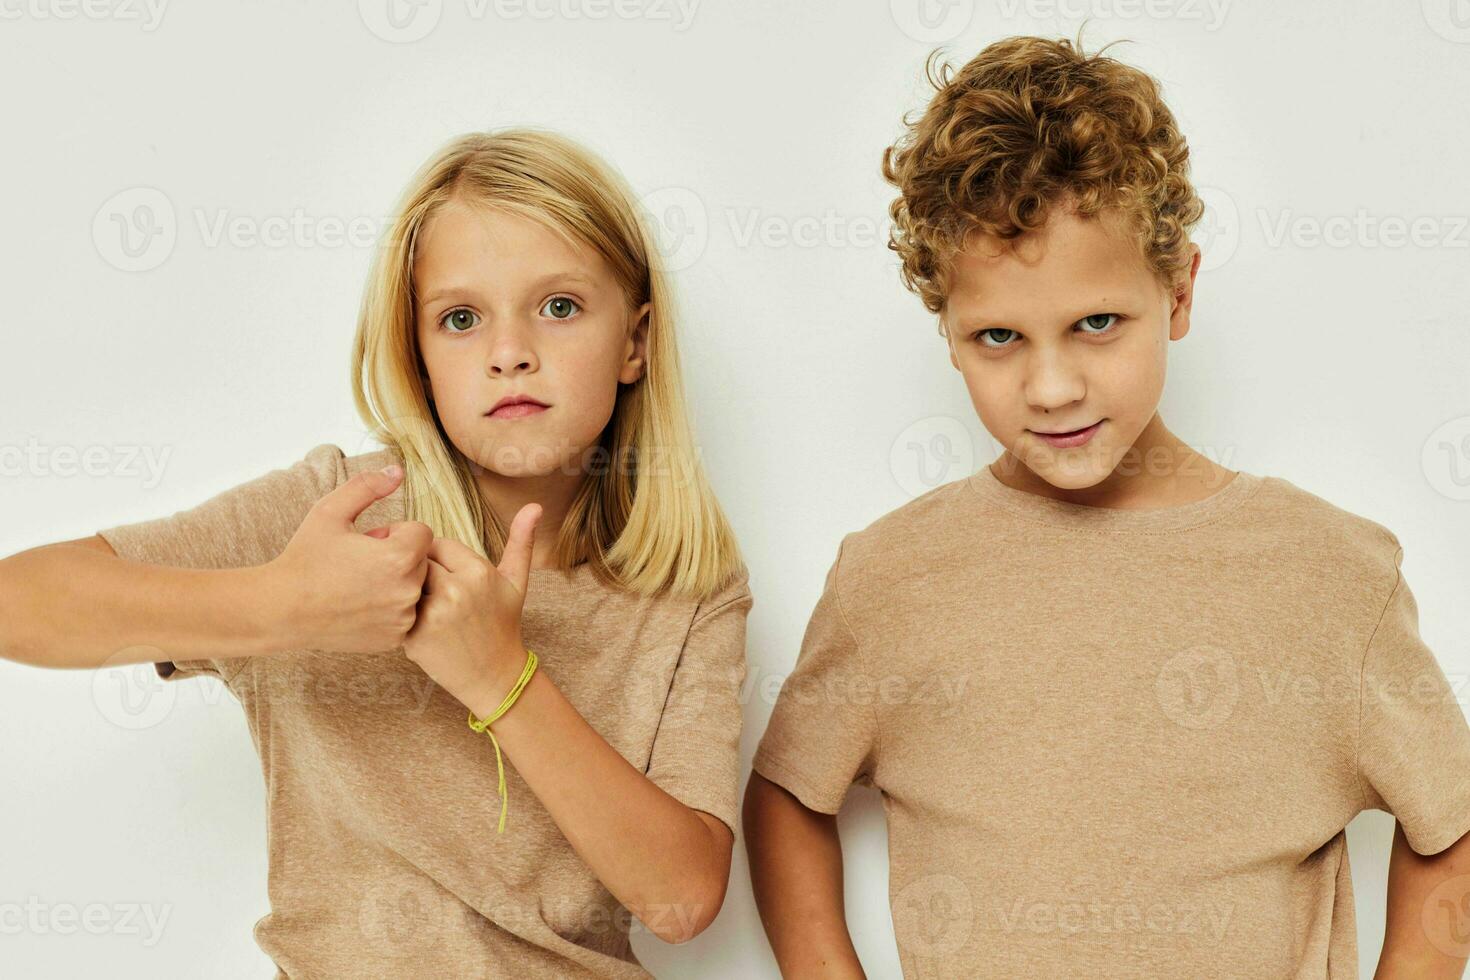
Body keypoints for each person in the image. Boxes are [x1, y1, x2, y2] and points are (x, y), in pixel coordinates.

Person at [742, 34, 1470, 979]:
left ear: (1178, 291)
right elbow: (788, 795)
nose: (1052, 388)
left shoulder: (1327, 573)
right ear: (949, 334)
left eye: (1096, 324)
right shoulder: (891, 578)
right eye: (999, 336)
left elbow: (1451, 820)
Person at [2, 128, 752, 978]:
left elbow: (684, 901)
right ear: (419, 355)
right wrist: (286, 606)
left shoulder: (689, 583)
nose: (511, 352)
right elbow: (17, 604)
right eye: (461, 319)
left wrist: (502, 679)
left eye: (559, 306)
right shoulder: (333, 516)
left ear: (636, 341)